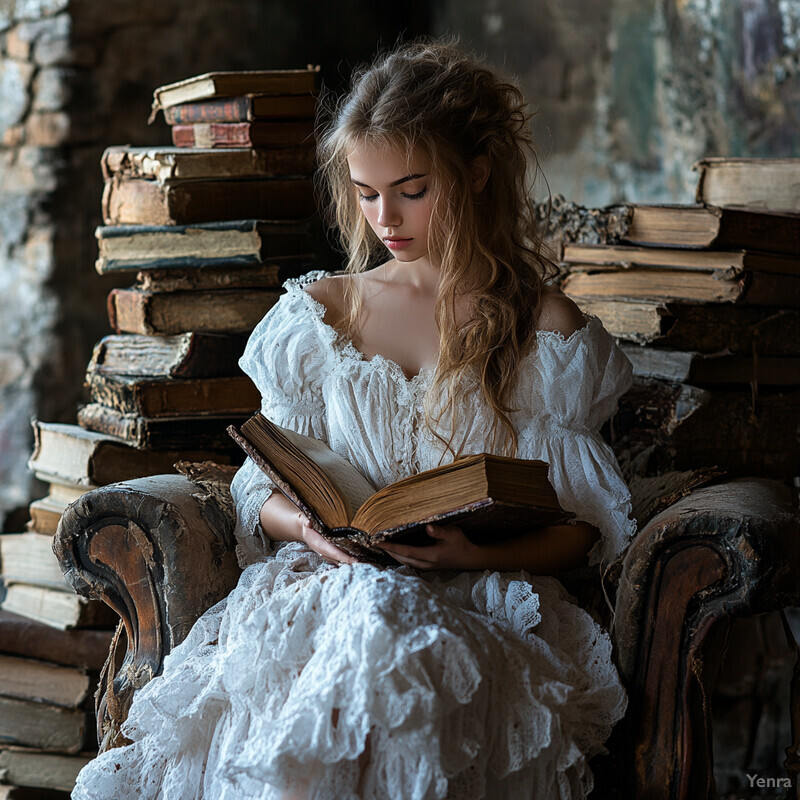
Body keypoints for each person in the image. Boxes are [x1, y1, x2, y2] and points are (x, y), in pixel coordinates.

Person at [73, 39, 635, 800]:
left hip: (481, 603)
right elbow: (256, 489)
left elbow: (585, 526)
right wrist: (308, 528)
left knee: (392, 645)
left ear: (476, 171)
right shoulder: (319, 316)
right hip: (324, 585)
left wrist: (464, 556)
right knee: (364, 625)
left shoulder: (545, 330)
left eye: (410, 190)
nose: (386, 218)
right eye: (368, 194)